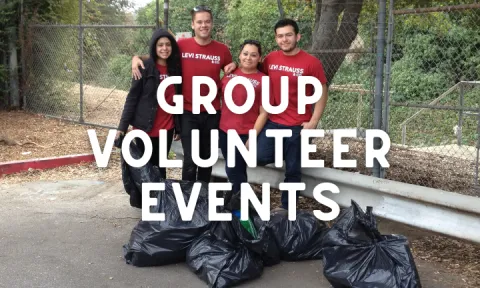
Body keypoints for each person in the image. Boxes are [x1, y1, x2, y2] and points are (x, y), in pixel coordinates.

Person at [131, 5, 236, 184]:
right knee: (190, 159)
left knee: (206, 157)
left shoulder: (222, 50)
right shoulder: (181, 46)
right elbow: (160, 55)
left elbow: (234, 67)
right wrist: (136, 57)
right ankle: (187, 197)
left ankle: (203, 197)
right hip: (187, 112)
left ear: (212, 24)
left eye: (207, 21)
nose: (204, 25)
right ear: (193, 25)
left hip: (211, 112)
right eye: (200, 22)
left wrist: (234, 65)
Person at [257, 18, 329, 212]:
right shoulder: (270, 59)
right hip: (273, 122)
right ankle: (282, 151)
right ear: (276, 38)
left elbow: (322, 92)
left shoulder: (311, 63)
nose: (284, 39)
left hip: (298, 126)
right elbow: (254, 74)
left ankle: (287, 209)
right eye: (280, 36)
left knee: (293, 170)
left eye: (289, 35)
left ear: (298, 36)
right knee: (257, 156)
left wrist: (314, 121)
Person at [115, 28, 182, 180]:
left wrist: (178, 126)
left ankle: (159, 202)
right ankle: (145, 201)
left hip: (167, 128)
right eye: (160, 45)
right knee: (144, 169)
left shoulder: (176, 68)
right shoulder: (144, 67)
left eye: (168, 44)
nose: (164, 48)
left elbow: (177, 98)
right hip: (144, 127)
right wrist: (122, 127)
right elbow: (132, 98)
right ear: (154, 47)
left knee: (160, 167)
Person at [218, 39, 268, 200]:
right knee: (232, 169)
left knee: (236, 171)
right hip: (225, 131)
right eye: (245, 54)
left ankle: (241, 208)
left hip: (245, 133)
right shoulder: (228, 75)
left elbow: (264, 112)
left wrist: (252, 136)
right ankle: (238, 204)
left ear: (260, 58)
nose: (248, 58)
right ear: (239, 55)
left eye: (253, 55)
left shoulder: (263, 80)